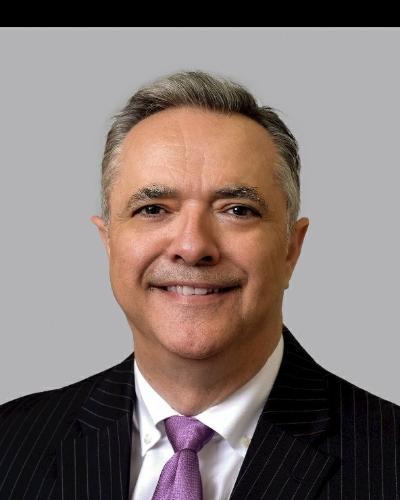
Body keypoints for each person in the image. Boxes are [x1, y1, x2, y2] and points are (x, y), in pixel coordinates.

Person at [0, 70, 398, 500]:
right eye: (153, 209)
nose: (192, 247)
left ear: (291, 248)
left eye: (237, 210)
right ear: (108, 242)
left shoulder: (389, 459)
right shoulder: (11, 443)